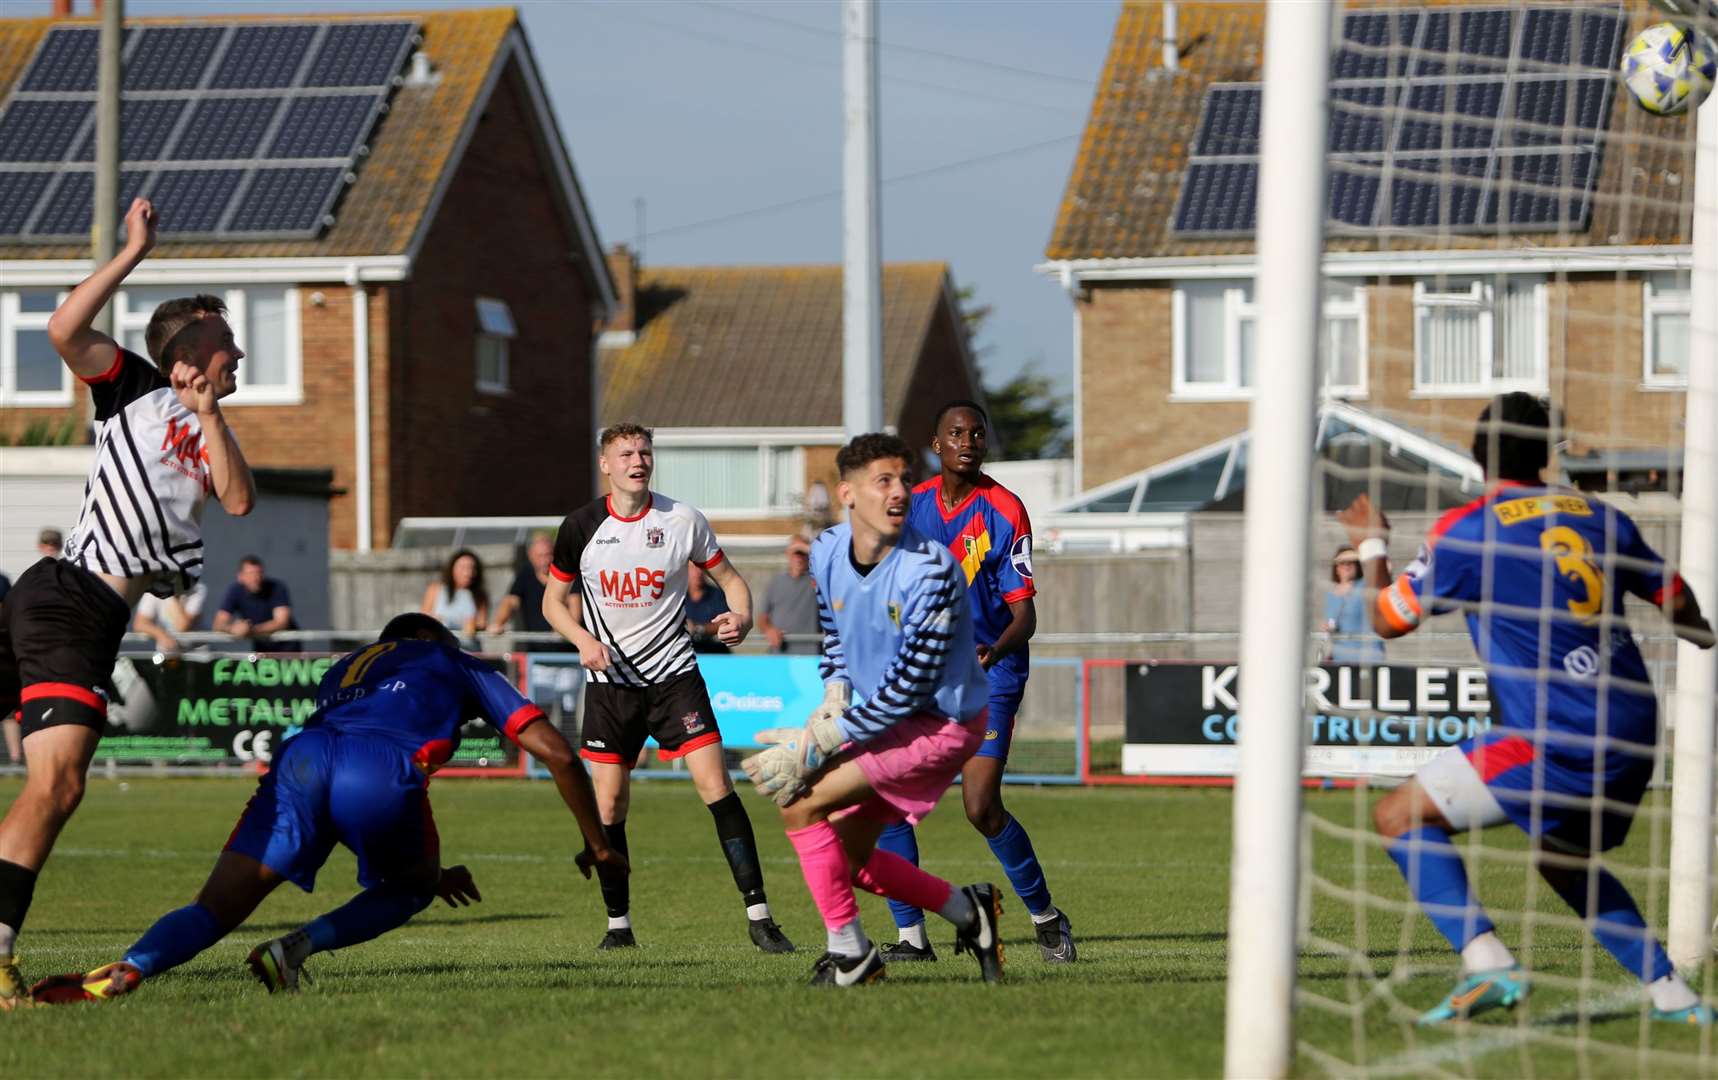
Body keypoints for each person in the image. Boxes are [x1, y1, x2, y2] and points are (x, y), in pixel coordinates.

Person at [1341, 392, 1715, 1026]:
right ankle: (1674, 997)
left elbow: (1387, 620)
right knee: (1563, 861)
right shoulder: (1600, 514)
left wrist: (1372, 545)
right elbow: (1673, 592)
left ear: (1476, 453)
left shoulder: (1469, 531)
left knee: (1396, 814)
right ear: (1547, 454)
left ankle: (1489, 966)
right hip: (1634, 732)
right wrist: (1702, 633)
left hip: (1554, 734)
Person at [26, 613, 627, 1003]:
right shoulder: (453, 661)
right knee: (410, 890)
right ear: (430, 642)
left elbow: (334, 797)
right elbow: (558, 754)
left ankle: (129, 969)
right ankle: (294, 948)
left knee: (215, 907)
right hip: (376, 769)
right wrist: (599, 844)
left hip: (302, 759)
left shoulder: (345, 667)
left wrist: (432, 868)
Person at [0, 197, 257, 1010]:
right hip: (66, 600)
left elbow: (240, 501)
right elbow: (63, 330)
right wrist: (131, 252)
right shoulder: (132, 388)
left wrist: (212, 415)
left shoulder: (208, 418)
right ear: (187, 355)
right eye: (226, 345)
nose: (239, 352)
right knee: (61, 783)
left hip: (88, 617)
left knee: (55, 783)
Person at [741, 432, 1004, 987]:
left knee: (799, 805)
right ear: (848, 493)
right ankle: (967, 911)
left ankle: (851, 955)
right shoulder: (827, 551)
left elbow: (911, 688)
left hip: (943, 724)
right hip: (897, 720)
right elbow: (834, 637)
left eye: (905, 480)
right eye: (883, 480)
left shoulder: (931, 570)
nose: (900, 492)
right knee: (850, 860)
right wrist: (832, 697)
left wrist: (818, 742)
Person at [540, 423, 794, 954]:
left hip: (675, 676)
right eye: (626, 452)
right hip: (610, 684)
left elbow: (731, 581)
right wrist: (582, 638)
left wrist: (742, 617)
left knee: (716, 787)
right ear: (605, 464)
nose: (638, 459)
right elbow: (551, 602)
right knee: (609, 807)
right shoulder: (580, 526)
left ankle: (760, 916)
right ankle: (618, 926)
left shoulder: (682, 520)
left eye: (645, 451)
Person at [874, 400, 1075, 963]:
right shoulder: (908, 510)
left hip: (994, 672)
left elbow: (1025, 617)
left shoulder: (1005, 508)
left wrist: (991, 650)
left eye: (977, 433)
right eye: (955, 432)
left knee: (980, 806)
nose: (968, 440)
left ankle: (1046, 916)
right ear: (935, 445)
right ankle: (912, 940)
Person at [487, 533, 565, 641]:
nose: (545, 561)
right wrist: (498, 623)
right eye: (539, 556)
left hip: (566, 647)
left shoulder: (565, 571)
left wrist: (564, 630)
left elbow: (574, 601)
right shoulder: (526, 573)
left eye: (548, 555)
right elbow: (510, 601)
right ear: (530, 555)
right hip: (535, 648)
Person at [757, 538, 821, 654]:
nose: (799, 557)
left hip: (810, 654)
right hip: (779, 653)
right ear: (787, 554)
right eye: (795, 553)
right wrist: (769, 630)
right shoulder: (776, 582)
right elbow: (762, 617)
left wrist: (811, 549)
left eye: (803, 553)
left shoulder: (819, 581)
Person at [1323, 546, 1386, 663]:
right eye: (1342, 562)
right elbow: (1331, 623)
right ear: (1336, 567)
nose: (1347, 565)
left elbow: (1382, 568)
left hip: (1368, 656)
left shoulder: (1366, 586)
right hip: (1340, 658)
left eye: (1351, 562)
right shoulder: (1331, 594)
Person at [213, 556, 294, 647]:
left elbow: (281, 622)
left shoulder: (277, 588)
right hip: (261, 650)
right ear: (240, 576)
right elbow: (218, 624)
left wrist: (252, 630)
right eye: (250, 574)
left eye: (259, 573)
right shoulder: (235, 591)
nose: (255, 578)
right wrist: (232, 629)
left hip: (287, 650)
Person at [421, 549, 489, 644]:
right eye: (463, 567)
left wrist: (474, 625)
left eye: (472, 568)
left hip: (468, 648)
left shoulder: (479, 594)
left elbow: (482, 623)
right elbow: (423, 618)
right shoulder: (435, 589)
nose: (469, 572)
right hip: (442, 647)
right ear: (452, 569)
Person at [133, 582, 207, 655]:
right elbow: (139, 624)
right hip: (167, 653)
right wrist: (161, 635)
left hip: (196, 654)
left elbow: (182, 627)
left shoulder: (197, 590)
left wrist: (173, 596)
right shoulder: (153, 590)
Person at [683, 562, 731, 655]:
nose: (698, 572)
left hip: (712, 650)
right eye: (693, 568)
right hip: (684, 651)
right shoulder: (677, 596)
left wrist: (700, 629)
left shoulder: (716, 594)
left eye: (700, 568)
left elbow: (725, 621)